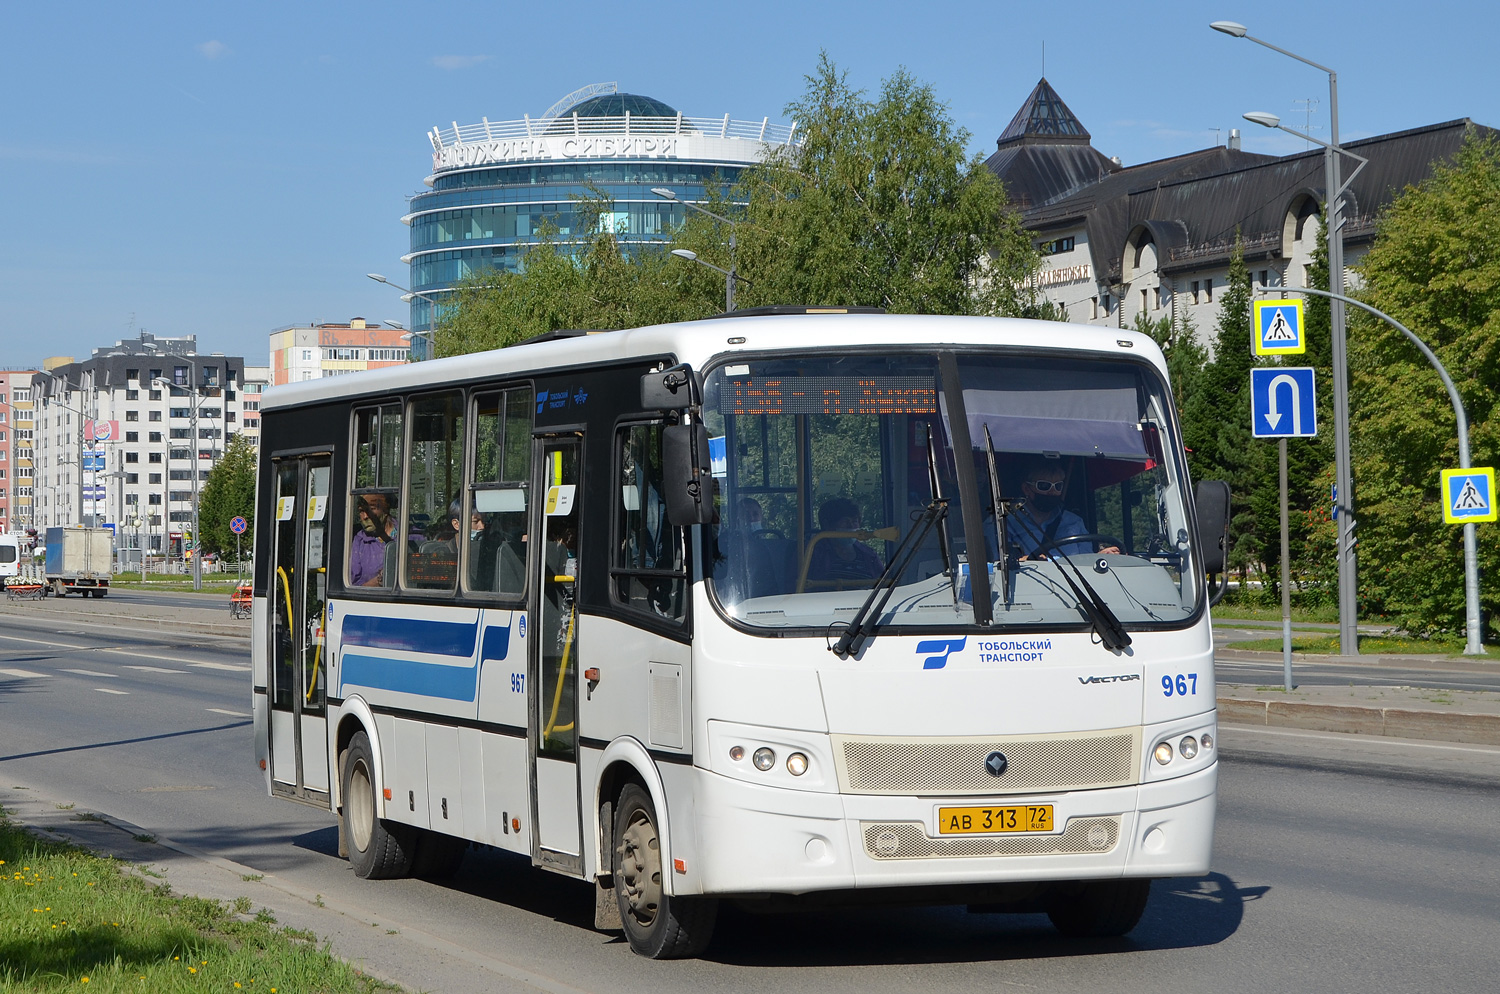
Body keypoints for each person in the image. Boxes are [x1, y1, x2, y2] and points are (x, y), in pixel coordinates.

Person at [1005, 460, 1119, 560]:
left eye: (1057, 486)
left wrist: (1100, 556)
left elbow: (1085, 563)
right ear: (1026, 489)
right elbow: (995, 567)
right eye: (1044, 486)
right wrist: (1022, 562)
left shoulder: (1074, 522)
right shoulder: (1006, 523)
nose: (1052, 491)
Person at [807, 496, 883, 582]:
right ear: (827, 525)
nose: (851, 526)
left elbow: (884, 584)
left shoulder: (869, 555)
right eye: (845, 521)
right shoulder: (812, 553)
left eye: (854, 521)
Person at [349, 493, 395, 586]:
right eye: (361, 511)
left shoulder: (408, 535)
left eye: (372, 509)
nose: (365, 516)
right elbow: (352, 587)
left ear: (385, 510)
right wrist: (380, 579)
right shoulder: (360, 541)